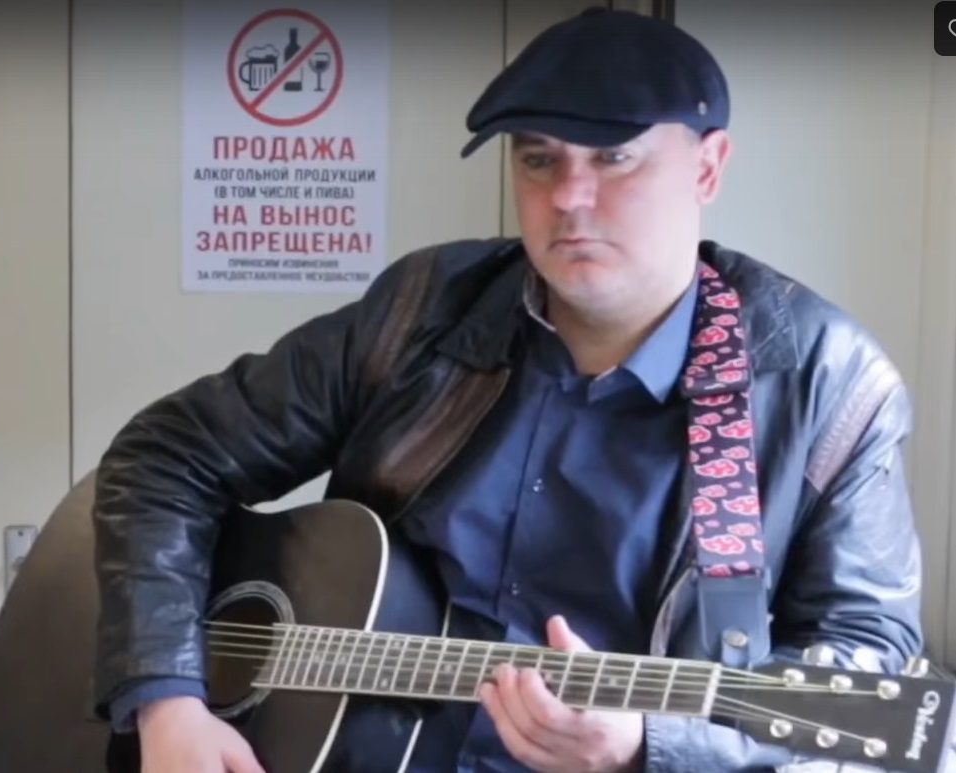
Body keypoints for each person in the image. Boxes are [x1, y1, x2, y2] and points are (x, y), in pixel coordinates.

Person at [90, 7, 925, 773]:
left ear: (707, 167)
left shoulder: (825, 382)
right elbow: (167, 455)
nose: (567, 197)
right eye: (537, 159)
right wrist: (167, 697)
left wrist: (651, 743)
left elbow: (865, 659)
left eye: (613, 157)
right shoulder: (420, 308)